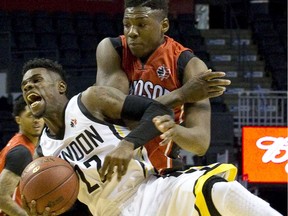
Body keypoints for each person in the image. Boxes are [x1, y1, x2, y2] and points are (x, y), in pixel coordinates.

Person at [21, 58, 282, 216]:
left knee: (222, 191)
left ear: (61, 86)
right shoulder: (43, 154)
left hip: (152, 190)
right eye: (25, 86)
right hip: (110, 212)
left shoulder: (90, 100)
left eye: (36, 80)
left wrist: (128, 143)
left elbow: (157, 109)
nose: (29, 87)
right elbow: (71, 202)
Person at [95, 0, 231, 174]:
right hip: (115, 164)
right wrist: (181, 95)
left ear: (164, 25)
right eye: (126, 25)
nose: (132, 33)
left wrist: (175, 131)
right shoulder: (113, 49)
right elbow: (116, 117)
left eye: (141, 25)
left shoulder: (189, 65)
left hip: (160, 172)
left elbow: (200, 144)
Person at [0, 96, 44, 216]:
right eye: (30, 115)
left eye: (39, 115)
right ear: (18, 120)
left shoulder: (21, 144)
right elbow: (1, 198)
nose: (36, 120)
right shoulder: (21, 152)